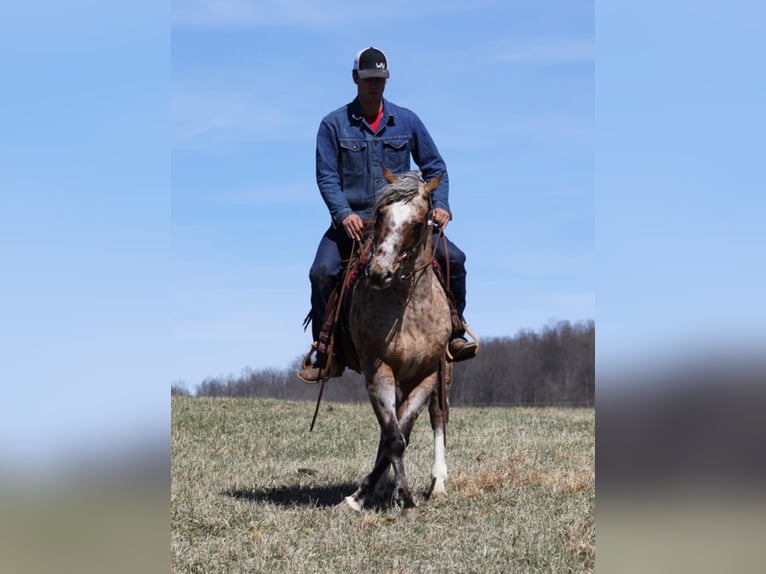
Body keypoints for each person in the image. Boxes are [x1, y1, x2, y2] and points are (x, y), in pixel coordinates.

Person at [298, 46, 476, 383]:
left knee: (455, 258)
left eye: (380, 78)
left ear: (387, 78)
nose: (374, 85)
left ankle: (455, 330)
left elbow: (435, 166)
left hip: (402, 222)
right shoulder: (333, 125)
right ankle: (327, 351)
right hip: (354, 223)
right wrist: (343, 214)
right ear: (355, 79)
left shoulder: (407, 121)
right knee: (321, 273)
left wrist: (441, 204)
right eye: (368, 79)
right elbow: (326, 176)